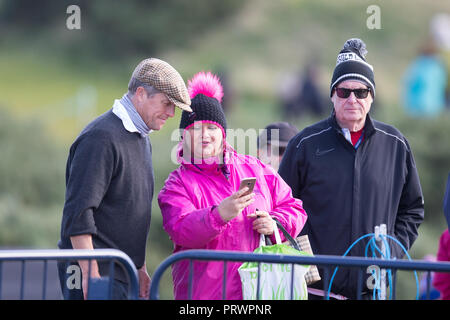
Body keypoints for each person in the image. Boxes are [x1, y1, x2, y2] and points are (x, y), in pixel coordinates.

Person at [278, 38, 425, 299]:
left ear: (372, 97)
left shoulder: (396, 144)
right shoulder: (304, 144)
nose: (352, 99)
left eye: (361, 92)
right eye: (344, 92)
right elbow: (281, 207)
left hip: (372, 290)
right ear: (332, 96)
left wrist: (392, 251)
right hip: (314, 290)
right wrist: (303, 259)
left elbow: (412, 208)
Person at [158, 71, 307, 300]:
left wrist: (275, 223)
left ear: (223, 133)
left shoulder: (255, 168)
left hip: (256, 296)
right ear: (183, 136)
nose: (204, 135)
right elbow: (180, 229)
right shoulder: (177, 185)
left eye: (211, 128)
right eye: (195, 129)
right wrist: (218, 215)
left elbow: (293, 207)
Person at [57, 58, 192, 300]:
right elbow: (78, 213)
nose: (172, 113)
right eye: (166, 103)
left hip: (123, 274)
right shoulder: (100, 138)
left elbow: (130, 214)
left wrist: (139, 268)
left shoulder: (142, 139)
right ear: (140, 94)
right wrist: (91, 277)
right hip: (96, 275)